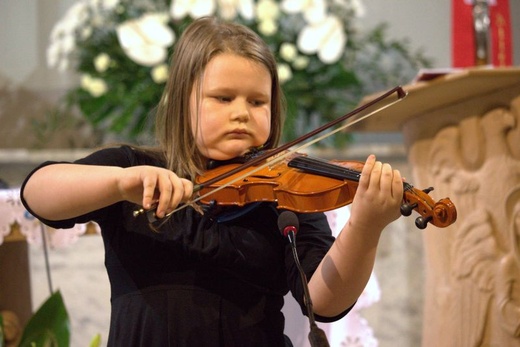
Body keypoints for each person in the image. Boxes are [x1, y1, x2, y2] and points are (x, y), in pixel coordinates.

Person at [21, 16, 404, 346]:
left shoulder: (285, 191)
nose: (242, 113)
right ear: (181, 100)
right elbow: (38, 193)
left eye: (257, 102)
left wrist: (365, 226)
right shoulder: (134, 170)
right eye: (222, 98)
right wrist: (122, 182)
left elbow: (324, 301)